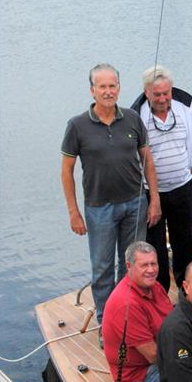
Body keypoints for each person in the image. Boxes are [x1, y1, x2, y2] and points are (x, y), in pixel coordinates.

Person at [61, 63, 161, 323]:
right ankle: (108, 323)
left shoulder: (132, 119)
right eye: (102, 86)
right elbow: (67, 172)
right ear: (92, 90)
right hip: (99, 209)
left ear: (119, 88)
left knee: (132, 265)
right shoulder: (77, 126)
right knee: (103, 269)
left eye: (112, 86)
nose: (108, 91)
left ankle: (131, 316)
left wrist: (154, 201)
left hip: (135, 204)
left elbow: (147, 160)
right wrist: (74, 213)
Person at [136, 65, 192, 292]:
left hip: (183, 188)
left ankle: (188, 293)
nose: (162, 98)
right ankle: (159, 294)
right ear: (146, 92)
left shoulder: (185, 110)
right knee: (155, 247)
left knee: (185, 243)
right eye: (156, 94)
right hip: (152, 193)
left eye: (166, 93)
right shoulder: (138, 117)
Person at [102, 241, 173, 382]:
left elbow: (173, 319)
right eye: (144, 265)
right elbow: (153, 355)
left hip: (162, 354)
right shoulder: (126, 305)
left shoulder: (154, 286)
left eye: (154, 264)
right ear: (129, 266)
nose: (151, 270)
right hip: (140, 375)